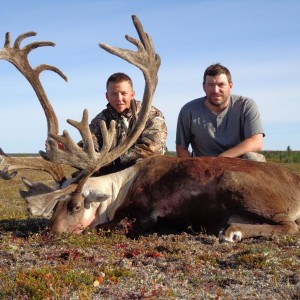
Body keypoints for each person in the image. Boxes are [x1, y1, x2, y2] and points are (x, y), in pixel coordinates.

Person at [176, 63, 265, 161]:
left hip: (238, 166)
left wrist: (220, 160)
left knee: (253, 158)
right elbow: (181, 148)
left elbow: (256, 141)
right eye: (210, 85)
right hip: (202, 168)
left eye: (221, 84)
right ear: (204, 87)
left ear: (230, 86)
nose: (215, 90)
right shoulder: (189, 110)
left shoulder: (246, 105)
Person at [86, 72, 167, 175]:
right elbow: (90, 146)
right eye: (114, 94)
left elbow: (151, 149)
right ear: (107, 96)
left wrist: (113, 160)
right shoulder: (99, 120)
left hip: (143, 173)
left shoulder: (152, 116)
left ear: (132, 94)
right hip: (109, 175)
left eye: (123, 93)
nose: (119, 98)